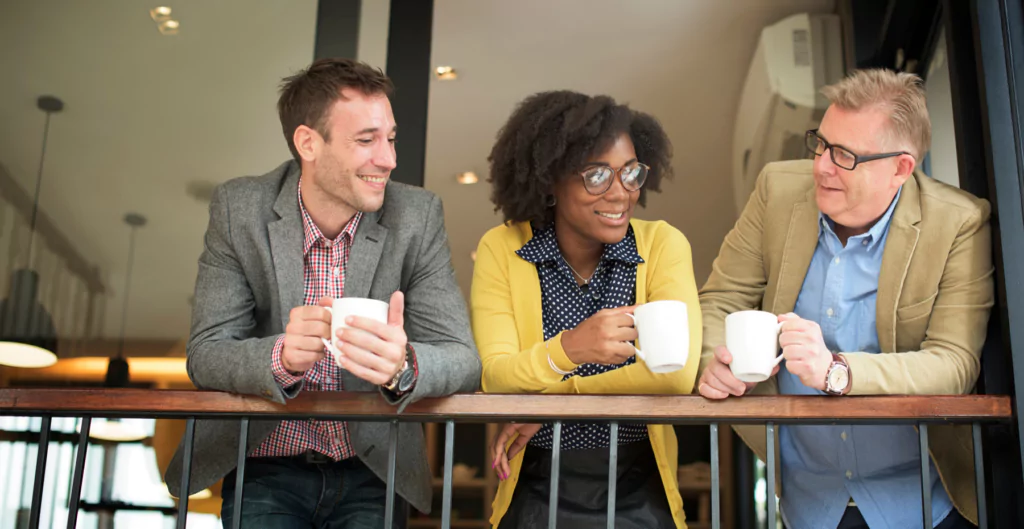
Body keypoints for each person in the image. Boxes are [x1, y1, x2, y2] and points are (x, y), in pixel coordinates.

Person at [164, 58, 481, 528]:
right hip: (264, 467)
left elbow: (463, 359)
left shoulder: (418, 216)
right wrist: (280, 358)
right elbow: (206, 355)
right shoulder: (239, 209)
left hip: (373, 471)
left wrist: (404, 365)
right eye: (367, 140)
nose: (389, 159)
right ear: (308, 143)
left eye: (390, 138)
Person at [696, 69, 993, 529]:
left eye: (844, 155)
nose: (821, 166)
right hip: (807, 501)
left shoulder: (958, 223)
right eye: (821, 143)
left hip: (923, 501)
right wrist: (710, 361)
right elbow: (718, 301)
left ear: (900, 168)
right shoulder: (776, 191)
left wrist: (837, 371)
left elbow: (953, 364)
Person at [474, 90, 702, 528]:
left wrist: (550, 400)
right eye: (597, 176)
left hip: (640, 484)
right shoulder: (503, 249)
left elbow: (675, 373)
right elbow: (496, 376)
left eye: (631, 173)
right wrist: (571, 348)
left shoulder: (661, 245)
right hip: (537, 484)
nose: (621, 194)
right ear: (549, 180)